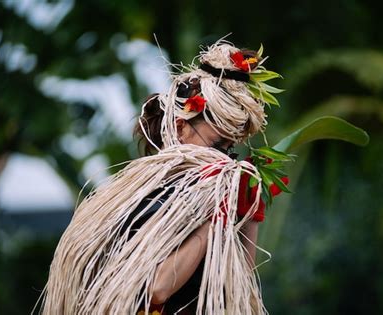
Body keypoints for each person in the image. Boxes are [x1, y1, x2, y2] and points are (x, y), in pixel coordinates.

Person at [36, 39, 287, 315]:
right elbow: (158, 287)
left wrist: (250, 210)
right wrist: (214, 220)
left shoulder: (207, 193)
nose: (224, 159)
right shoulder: (152, 196)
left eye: (229, 150)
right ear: (181, 129)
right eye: (216, 145)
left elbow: (240, 282)